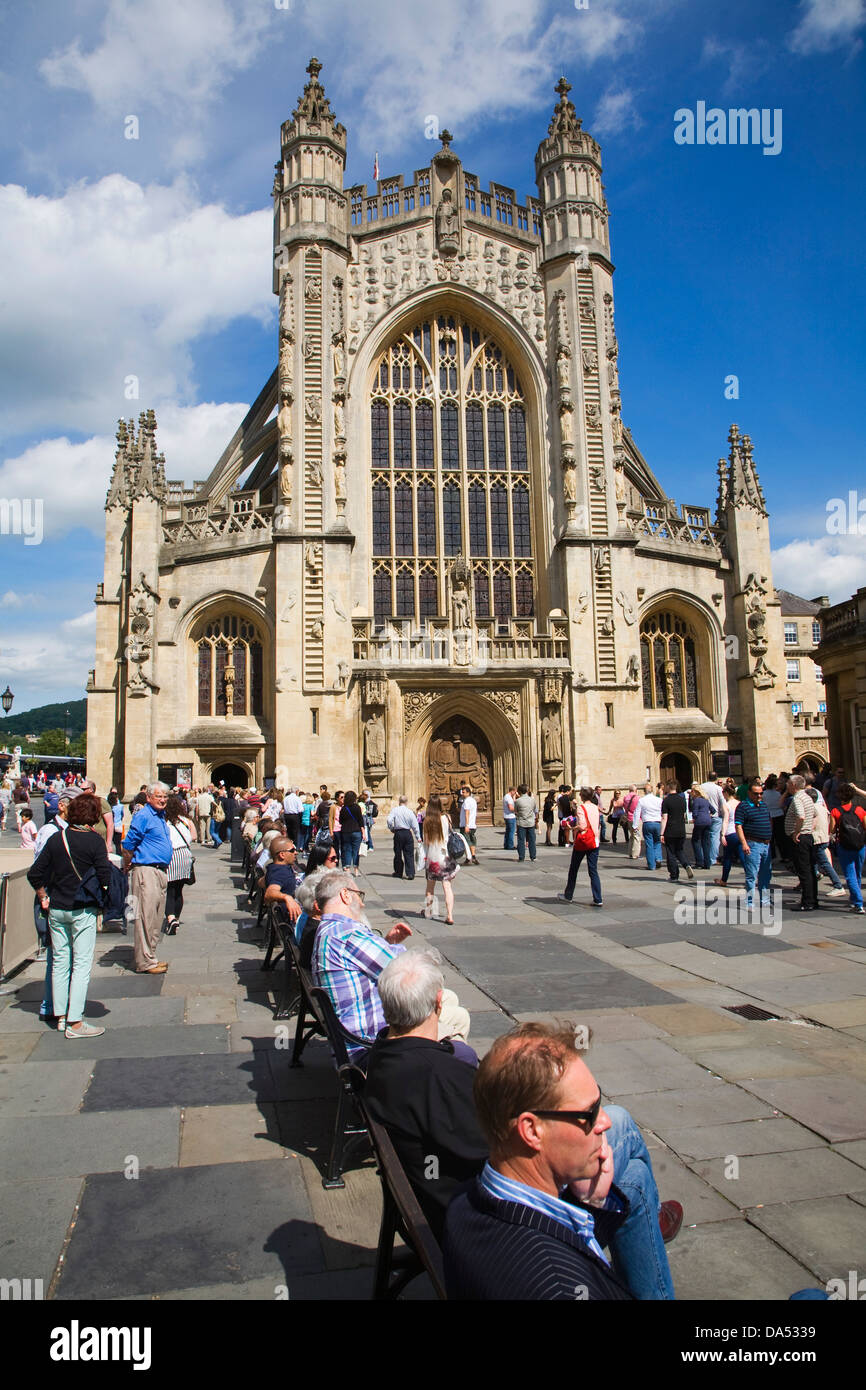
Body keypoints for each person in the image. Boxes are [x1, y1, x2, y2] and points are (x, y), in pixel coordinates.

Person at [442, 1023, 680, 1301]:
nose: (603, 1121)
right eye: (588, 1113)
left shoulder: (464, 1201)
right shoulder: (560, 1287)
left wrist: (594, 1204)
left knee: (634, 1177)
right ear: (531, 1130)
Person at [312, 869, 467, 1058]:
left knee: (447, 998)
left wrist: (386, 944)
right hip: (373, 1041)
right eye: (359, 895)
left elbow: (370, 962)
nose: (361, 903)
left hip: (357, 1030)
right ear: (345, 895)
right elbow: (405, 970)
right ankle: (439, 1075)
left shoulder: (328, 931)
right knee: (459, 1017)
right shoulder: (347, 934)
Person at [28, 792, 111, 1039]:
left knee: (60, 964)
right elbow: (105, 877)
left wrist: (44, 896)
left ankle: (61, 1016)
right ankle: (75, 1022)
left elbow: (35, 875)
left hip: (56, 908)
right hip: (82, 908)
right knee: (81, 964)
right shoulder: (94, 841)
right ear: (93, 816)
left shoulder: (57, 838)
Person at [122, 781, 173, 974]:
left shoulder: (159, 815)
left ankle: (151, 956)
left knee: (156, 918)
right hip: (146, 870)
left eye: (165, 797)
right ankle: (144, 962)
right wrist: (129, 865)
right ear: (149, 797)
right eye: (158, 796)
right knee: (145, 917)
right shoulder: (143, 815)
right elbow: (128, 844)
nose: (162, 800)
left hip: (159, 871)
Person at [558, 787, 602, 906]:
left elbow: (582, 826)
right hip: (594, 840)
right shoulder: (595, 807)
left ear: (582, 796)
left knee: (574, 869)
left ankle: (568, 895)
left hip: (583, 841)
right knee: (593, 870)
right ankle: (598, 898)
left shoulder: (581, 808)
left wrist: (571, 827)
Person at [734, 778, 773, 911]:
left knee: (766, 873)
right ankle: (750, 902)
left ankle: (765, 899)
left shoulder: (763, 805)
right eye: (756, 794)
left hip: (766, 844)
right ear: (749, 793)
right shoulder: (743, 806)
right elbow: (738, 826)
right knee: (752, 874)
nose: (759, 796)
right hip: (753, 843)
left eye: (761, 793)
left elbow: (769, 820)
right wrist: (744, 843)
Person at [422, 793, 459, 924]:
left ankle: (428, 910)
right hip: (445, 856)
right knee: (447, 887)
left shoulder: (426, 821)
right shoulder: (446, 818)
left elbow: (425, 841)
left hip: (432, 857)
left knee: (430, 887)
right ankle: (449, 915)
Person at [829, 783, 866, 913]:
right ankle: (854, 899)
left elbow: (832, 830)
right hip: (860, 846)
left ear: (840, 796)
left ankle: (858, 903)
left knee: (850, 875)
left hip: (844, 846)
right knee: (857, 873)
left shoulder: (835, 811)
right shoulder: (860, 810)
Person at [784, 773, 818, 911]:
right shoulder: (808, 797)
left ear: (793, 785)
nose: (786, 786)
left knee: (803, 870)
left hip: (800, 838)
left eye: (787, 783)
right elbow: (815, 814)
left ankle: (807, 902)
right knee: (809, 870)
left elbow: (801, 816)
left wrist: (797, 831)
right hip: (808, 836)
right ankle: (813, 899)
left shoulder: (798, 798)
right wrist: (809, 828)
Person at [805, 787, 847, 897]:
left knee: (824, 863)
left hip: (816, 838)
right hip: (823, 837)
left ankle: (838, 885)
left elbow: (811, 824)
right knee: (813, 862)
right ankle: (812, 880)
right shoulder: (822, 808)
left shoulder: (811, 809)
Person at [164, 793, 196, 934]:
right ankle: (176, 918)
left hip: (171, 855)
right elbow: (194, 836)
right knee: (179, 890)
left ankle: (171, 919)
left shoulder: (163, 822)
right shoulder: (185, 820)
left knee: (170, 890)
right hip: (185, 855)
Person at [262, 836, 304, 924]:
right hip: (290, 920)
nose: (296, 853)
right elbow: (269, 893)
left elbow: (261, 882)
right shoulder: (281, 872)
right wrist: (287, 898)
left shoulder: (274, 868)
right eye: (292, 850)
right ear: (282, 855)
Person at [660, 782, 693, 882]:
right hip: (681, 829)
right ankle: (686, 864)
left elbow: (664, 818)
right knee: (679, 850)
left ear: (669, 787)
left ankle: (674, 875)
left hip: (670, 830)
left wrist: (662, 833)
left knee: (670, 852)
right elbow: (683, 815)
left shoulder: (666, 801)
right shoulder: (682, 800)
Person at [714, 785, 745, 887]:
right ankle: (751, 877)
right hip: (740, 832)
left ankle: (724, 880)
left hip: (730, 832)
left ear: (726, 793)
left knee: (727, 857)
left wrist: (722, 834)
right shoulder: (739, 803)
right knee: (743, 856)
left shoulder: (726, 805)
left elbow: (726, 820)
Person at [386, 794, 421, 881]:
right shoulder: (410, 812)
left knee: (398, 853)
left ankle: (398, 872)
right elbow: (415, 825)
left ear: (399, 802)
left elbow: (389, 820)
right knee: (409, 853)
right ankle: (410, 873)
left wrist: (391, 828)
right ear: (406, 802)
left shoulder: (395, 810)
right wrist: (418, 837)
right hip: (407, 833)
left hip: (398, 832)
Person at [632, 782, 662, 870]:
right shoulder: (659, 800)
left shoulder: (642, 800)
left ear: (644, 791)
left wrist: (635, 825)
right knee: (657, 842)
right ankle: (658, 858)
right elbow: (662, 812)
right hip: (657, 822)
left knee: (649, 844)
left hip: (647, 823)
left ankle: (651, 865)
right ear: (652, 790)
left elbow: (637, 813)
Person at [699, 772, 725, 867]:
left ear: (707, 776)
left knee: (704, 838)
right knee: (714, 837)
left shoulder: (701, 787)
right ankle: (712, 858)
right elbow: (722, 802)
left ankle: (704, 857)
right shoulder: (718, 788)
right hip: (716, 814)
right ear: (716, 778)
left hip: (704, 815)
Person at [339, 790, 365, 876]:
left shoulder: (343, 808)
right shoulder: (357, 807)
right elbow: (361, 820)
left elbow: (340, 821)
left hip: (346, 831)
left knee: (347, 850)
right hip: (356, 831)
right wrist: (363, 832)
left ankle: (347, 869)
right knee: (356, 851)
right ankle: (356, 870)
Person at [688, 783, 712, 870]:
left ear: (695, 792)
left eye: (692, 791)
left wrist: (694, 818)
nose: (691, 793)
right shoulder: (706, 800)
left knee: (695, 841)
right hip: (708, 822)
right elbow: (713, 810)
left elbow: (694, 813)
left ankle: (699, 862)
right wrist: (708, 815)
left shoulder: (696, 800)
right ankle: (707, 863)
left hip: (699, 822)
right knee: (706, 842)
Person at [514, 784, 538, 862]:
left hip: (521, 822)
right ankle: (533, 856)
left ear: (519, 791)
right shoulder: (532, 800)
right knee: (532, 840)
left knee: (521, 840)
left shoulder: (518, 801)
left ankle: (521, 857)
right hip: (531, 822)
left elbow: (516, 811)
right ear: (527, 791)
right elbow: (535, 809)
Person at [459, 784, 479, 865]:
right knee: (472, 840)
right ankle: (473, 856)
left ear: (468, 793)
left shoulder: (466, 801)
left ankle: (468, 858)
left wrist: (466, 825)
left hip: (466, 825)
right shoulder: (473, 800)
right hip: (472, 824)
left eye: (463, 792)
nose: (462, 794)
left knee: (466, 842)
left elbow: (467, 813)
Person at [622, 784, 642, 860]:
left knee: (632, 836)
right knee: (637, 836)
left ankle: (630, 852)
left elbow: (624, 806)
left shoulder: (625, 797)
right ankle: (635, 854)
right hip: (636, 819)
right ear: (635, 790)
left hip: (628, 818)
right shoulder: (637, 798)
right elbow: (639, 809)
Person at [329, 790, 344, 867]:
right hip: (336, 829)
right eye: (341, 797)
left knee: (344, 848)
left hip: (344, 830)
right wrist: (331, 831)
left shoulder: (345, 807)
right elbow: (331, 819)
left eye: (344, 797)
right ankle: (336, 864)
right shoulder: (333, 807)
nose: (343, 799)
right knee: (336, 848)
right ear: (337, 798)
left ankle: (345, 865)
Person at [502, 787, 517, 852]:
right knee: (511, 831)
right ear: (512, 791)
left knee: (508, 831)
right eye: (515, 792)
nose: (515, 793)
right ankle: (510, 845)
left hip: (506, 816)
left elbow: (513, 802)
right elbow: (511, 808)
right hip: (510, 816)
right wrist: (517, 810)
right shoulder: (508, 798)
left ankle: (506, 844)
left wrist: (514, 797)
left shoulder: (506, 796)